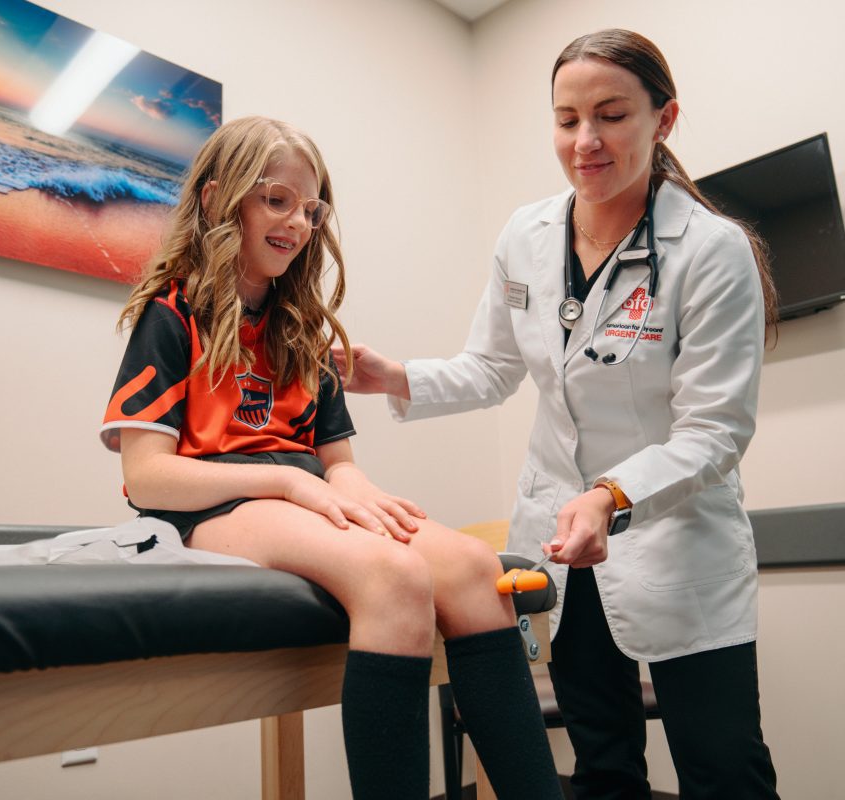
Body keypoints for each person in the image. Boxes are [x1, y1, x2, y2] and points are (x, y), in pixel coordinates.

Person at [336, 30, 780, 800]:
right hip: (564, 549)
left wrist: (611, 496)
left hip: (678, 546)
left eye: (610, 115)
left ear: (663, 119)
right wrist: (392, 377)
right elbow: (494, 367)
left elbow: (715, 431)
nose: (585, 141)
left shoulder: (711, 250)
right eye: (566, 118)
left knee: (724, 769)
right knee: (602, 769)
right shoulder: (527, 235)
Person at [100, 116, 563, 800]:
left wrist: (350, 489)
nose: (297, 222)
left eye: (311, 209)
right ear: (217, 199)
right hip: (212, 506)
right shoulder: (174, 315)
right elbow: (145, 475)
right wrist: (292, 484)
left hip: (299, 495)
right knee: (395, 576)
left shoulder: (300, 330)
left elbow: (336, 460)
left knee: (472, 568)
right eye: (276, 200)